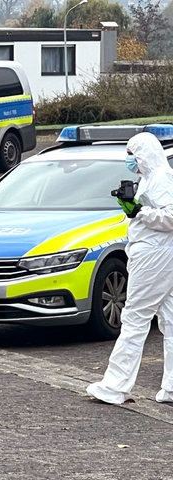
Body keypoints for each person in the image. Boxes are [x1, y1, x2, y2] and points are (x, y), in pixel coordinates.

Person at [86, 131, 173, 404]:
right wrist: (135, 206)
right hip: (155, 254)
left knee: (134, 318)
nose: (129, 160)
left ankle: (115, 386)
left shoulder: (161, 178)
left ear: (144, 154)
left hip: (154, 256)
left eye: (131, 155)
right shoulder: (149, 179)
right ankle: (171, 386)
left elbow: (170, 217)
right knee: (170, 320)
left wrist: (140, 212)